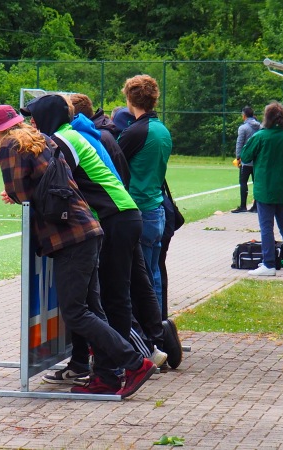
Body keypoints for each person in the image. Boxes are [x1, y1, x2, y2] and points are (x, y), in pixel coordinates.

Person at [0, 104, 156, 397]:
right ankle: (107, 377)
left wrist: (11, 195)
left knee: (76, 312)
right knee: (93, 309)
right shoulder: (45, 139)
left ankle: (134, 363)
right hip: (88, 228)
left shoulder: (9, 146)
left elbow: (21, 193)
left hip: (68, 235)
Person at [20, 94, 168, 384]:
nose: (31, 123)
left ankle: (123, 367)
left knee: (114, 297)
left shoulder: (63, 140)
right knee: (110, 297)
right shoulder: (72, 134)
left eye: (34, 117)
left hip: (115, 216)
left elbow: (57, 187)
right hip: (121, 214)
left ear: (49, 116)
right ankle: (109, 367)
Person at [117, 74, 172, 311]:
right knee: (154, 275)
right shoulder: (162, 130)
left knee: (141, 280)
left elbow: (113, 164)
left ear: (130, 99)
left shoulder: (136, 131)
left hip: (139, 209)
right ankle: (158, 327)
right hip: (156, 209)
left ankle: (149, 333)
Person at [240, 101, 283, 276]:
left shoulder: (260, 136)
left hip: (265, 188)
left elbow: (245, 155)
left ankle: (269, 263)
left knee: (266, 227)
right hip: (282, 188)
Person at [232, 106, 260, 213]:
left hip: (246, 160)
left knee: (243, 182)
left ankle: (243, 205)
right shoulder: (260, 126)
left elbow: (240, 143)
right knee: (256, 182)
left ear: (244, 115)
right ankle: (256, 206)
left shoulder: (243, 128)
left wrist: (238, 157)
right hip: (257, 160)